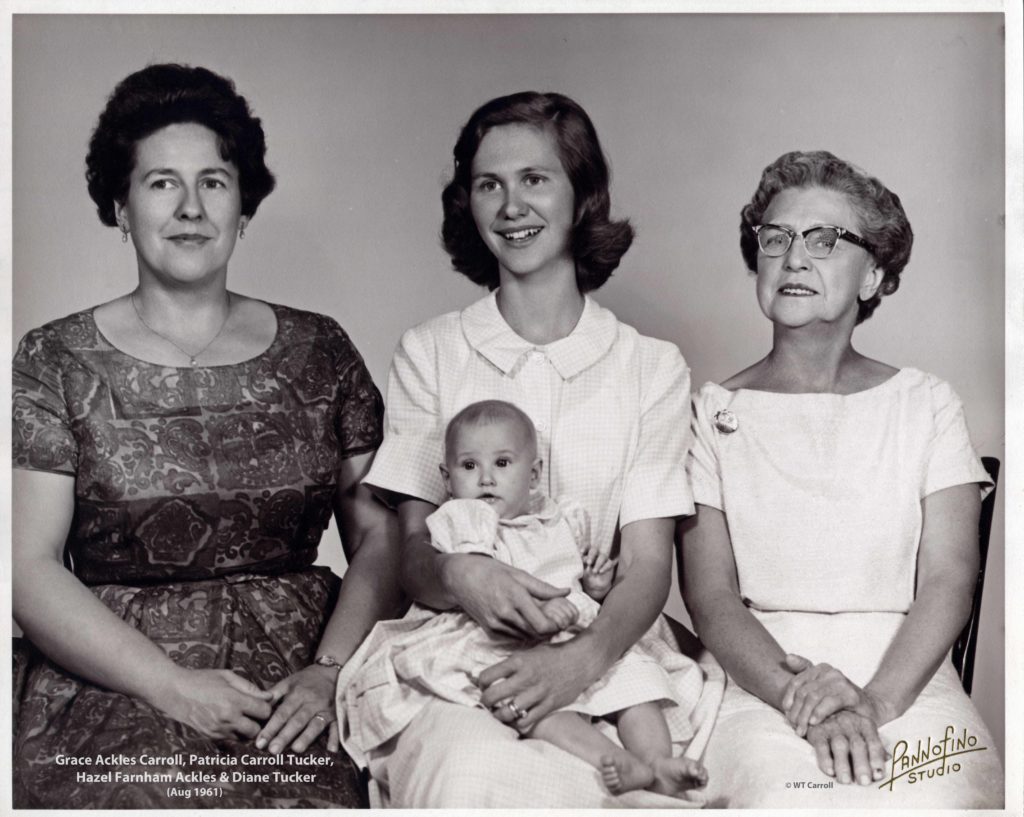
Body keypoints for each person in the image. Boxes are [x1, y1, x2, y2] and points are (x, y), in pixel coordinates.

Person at [11, 63, 402, 808]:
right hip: (116, 674)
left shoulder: (321, 349)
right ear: (121, 206)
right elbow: (28, 570)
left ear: (243, 208)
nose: (190, 207)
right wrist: (175, 688)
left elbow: (379, 539)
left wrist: (329, 671)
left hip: (300, 678)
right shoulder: (53, 357)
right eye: (161, 183)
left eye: (214, 182)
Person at [359, 91, 723, 808]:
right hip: (464, 660)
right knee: (473, 779)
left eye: (536, 178)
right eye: (488, 184)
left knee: (642, 786)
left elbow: (648, 566)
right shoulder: (430, 351)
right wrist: (466, 576)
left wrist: (580, 663)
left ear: (583, 194)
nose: (510, 205)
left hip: (605, 648)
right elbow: (410, 553)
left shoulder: (650, 365)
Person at [681, 150, 1003, 807]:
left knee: (933, 799)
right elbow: (712, 596)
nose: (794, 257)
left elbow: (948, 578)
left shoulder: (926, 403)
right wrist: (802, 699)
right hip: (762, 682)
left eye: (825, 238)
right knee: (782, 799)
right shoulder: (711, 412)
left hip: (907, 676)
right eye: (775, 237)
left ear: (873, 275)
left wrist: (873, 700)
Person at [339, 400, 708, 799]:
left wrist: (596, 583)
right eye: (468, 466)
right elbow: (482, 577)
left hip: (574, 630)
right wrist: (546, 609)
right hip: (500, 635)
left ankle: (655, 761)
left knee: (634, 679)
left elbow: (575, 575)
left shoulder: (563, 518)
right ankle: (611, 757)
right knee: (532, 705)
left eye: (502, 464)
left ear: (533, 475)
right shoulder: (462, 519)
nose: (485, 479)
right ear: (446, 479)